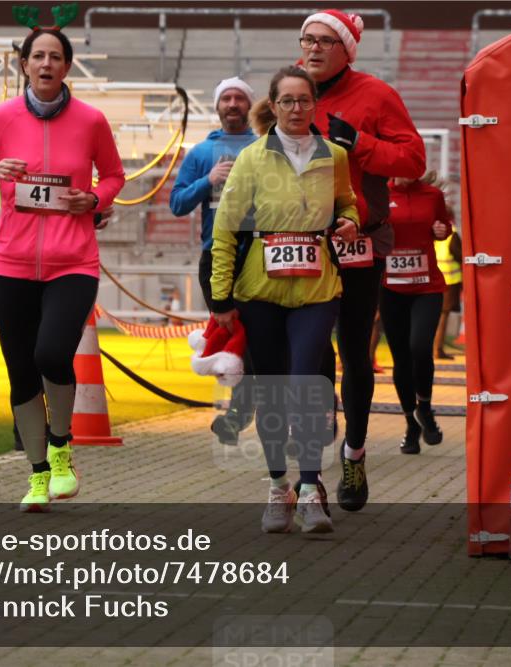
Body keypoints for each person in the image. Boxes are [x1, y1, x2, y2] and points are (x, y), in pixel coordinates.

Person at [0, 26, 125, 511]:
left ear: (67, 67)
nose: (47, 64)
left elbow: (113, 175)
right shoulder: (0, 119)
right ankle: (38, 475)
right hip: (12, 265)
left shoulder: (91, 121)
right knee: (21, 373)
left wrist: (94, 198)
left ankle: (62, 446)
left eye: (56, 57)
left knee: (51, 355)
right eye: (38, 56)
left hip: (74, 263)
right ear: (24, 64)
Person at [210, 66, 359, 534]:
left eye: (305, 101)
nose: (297, 109)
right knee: (272, 390)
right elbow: (225, 229)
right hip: (261, 292)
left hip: (317, 289)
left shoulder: (334, 155)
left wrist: (350, 220)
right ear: (272, 106)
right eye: (288, 101)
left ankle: (312, 489)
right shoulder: (252, 159)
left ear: (316, 105)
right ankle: (279, 486)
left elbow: (348, 201)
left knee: (305, 385)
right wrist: (220, 298)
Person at [298, 9, 427, 511]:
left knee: (354, 348)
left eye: (325, 41)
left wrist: (360, 145)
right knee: (311, 349)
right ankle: (322, 421)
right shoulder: (291, 91)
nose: (313, 49)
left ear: (346, 50)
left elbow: (413, 160)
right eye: (307, 39)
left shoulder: (376, 94)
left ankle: (355, 452)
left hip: (362, 239)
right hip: (304, 243)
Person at [170, 77, 258, 445]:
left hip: (259, 254)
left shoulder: (263, 146)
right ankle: (243, 411)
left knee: (254, 336)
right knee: (232, 332)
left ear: (249, 105)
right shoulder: (200, 154)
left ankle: (240, 413)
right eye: (227, 98)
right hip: (215, 255)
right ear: (218, 106)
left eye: (240, 98)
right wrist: (208, 180)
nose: (233, 104)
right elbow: (177, 204)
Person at [381, 170, 452, 455]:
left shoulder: (432, 195)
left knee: (420, 346)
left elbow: (444, 227)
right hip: (391, 288)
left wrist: (440, 231)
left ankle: (425, 408)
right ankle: (411, 424)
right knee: (401, 358)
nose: (408, 172)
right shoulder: (380, 193)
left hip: (427, 286)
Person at [433, 225, 463, 359]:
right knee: (443, 316)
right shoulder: (452, 233)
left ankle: (436, 348)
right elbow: (459, 255)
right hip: (450, 279)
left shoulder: (432, 229)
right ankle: (438, 349)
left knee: (438, 315)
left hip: (437, 276)